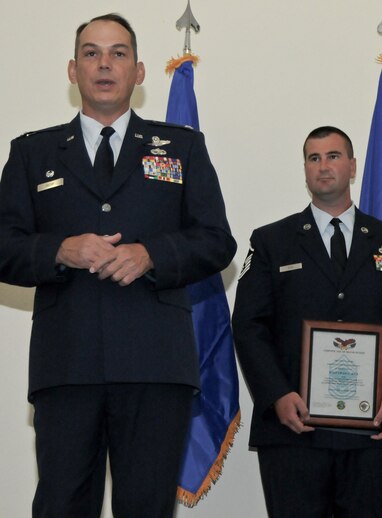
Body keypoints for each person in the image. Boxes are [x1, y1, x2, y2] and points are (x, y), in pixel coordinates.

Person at [0, 13, 236, 517]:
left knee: (147, 508)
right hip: (67, 365)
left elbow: (217, 241)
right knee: (62, 506)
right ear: (72, 69)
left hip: (155, 364)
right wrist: (59, 250)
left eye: (118, 53)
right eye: (91, 53)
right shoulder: (30, 151)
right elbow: (3, 245)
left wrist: (152, 254)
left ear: (140, 71)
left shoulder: (183, 147)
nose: (104, 64)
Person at [232, 126, 382, 517]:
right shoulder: (272, 241)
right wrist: (276, 395)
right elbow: (249, 325)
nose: (324, 167)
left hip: (374, 430)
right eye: (313, 158)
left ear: (352, 166)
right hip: (294, 430)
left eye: (334, 156)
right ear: (305, 170)